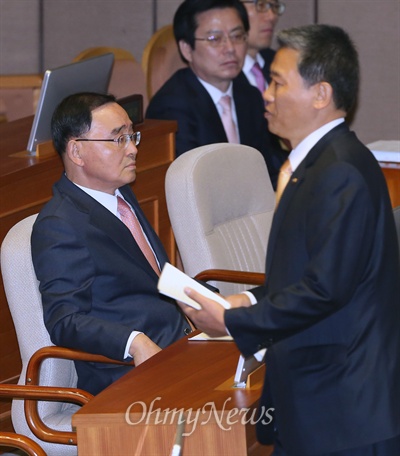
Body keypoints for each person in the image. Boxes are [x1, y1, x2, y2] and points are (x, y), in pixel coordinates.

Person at [178, 24, 400, 455]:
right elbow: (308, 272)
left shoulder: (339, 173)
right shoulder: (316, 164)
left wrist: (230, 323)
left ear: (320, 94)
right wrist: (247, 302)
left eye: (277, 83)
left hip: (345, 410)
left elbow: (325, 290)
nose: (266, 93)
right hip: (320, 399)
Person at [31, 92, 193, 396]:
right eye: (118, 140)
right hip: (126, 374)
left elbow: (150, 275)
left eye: (132, 136)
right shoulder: (59, 225)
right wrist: (133, 342)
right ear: (77, 152)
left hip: (177, 344)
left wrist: (208, 304)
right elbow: (64, 320)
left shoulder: (120, 194)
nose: (132, 149)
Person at [146, 0, 285, 189]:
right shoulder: (172, 108)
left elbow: (268, 165)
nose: (230, 48)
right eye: (214, 39)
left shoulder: (249, 95)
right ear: (187, 49)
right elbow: (192, 187)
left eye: (237, 36)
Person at [239, 0, 286, 93]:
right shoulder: (217, 73)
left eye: (275, 7)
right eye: (261, 5)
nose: (272, 17)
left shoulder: (281, 63)